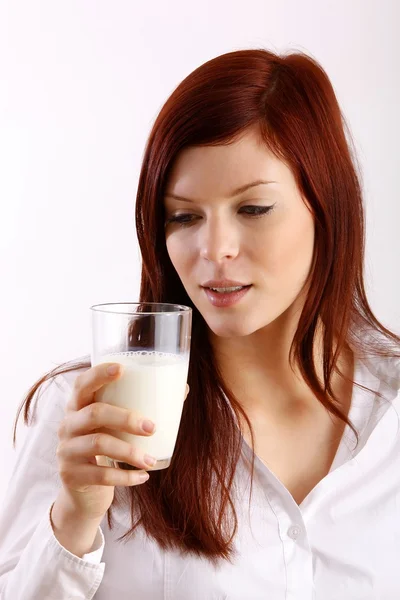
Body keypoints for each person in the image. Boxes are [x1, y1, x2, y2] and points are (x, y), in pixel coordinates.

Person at [0, 48, 399, 600]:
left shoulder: (390, 415)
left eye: (253, 209)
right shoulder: (90, 418)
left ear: (325, 207)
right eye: (183, 216)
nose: (214, 250)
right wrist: (71, 518)